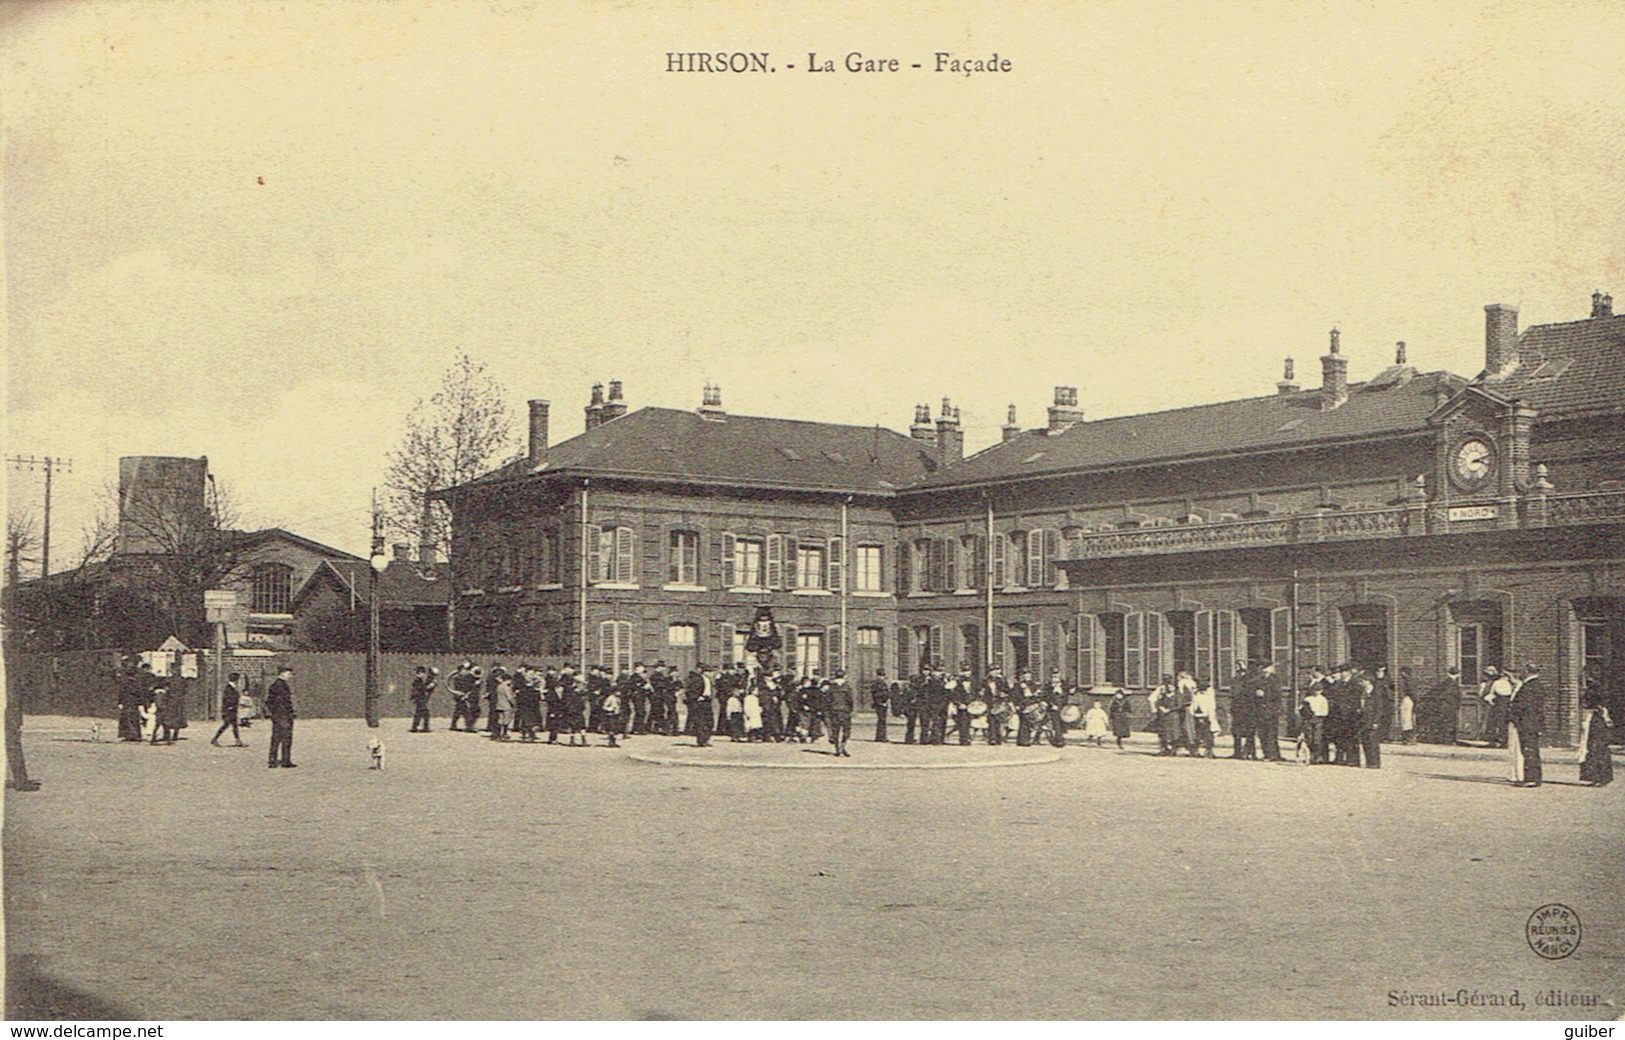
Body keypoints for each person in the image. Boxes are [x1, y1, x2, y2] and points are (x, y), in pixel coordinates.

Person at [1506, 663, 1544, 787]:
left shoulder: (1529, 686)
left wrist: (1513, 715)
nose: (1522, 673)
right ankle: (1532, 777)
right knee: (1530, 750)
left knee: (1529, 751)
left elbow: (1524, 705)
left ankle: (1532, 778)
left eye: (1524, 670)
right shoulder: (1536, 684)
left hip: (1527, 723)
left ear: (1528, 671)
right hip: (1531, 723)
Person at [1578, 664, 1614, 787]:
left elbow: (1598, 704)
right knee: (1595, 747)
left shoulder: (1596, 688)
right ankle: (1597, 776)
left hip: (1596, 719)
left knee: (1596, 747)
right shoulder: (1595, 687)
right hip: (1595, 717)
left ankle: (1600, 777)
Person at [265, 666, 297, 768]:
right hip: (283, 715)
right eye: (288, 674)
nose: (290, 676)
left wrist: (273, 713)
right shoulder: (281, 686)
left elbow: (269, 702)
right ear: (282, 673)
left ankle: (272, 759)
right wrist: (288, 713)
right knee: (286, 738)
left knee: (276, 737)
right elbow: (282, 702)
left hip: (278, 715)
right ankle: (285, 760)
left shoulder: (275, 685)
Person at [1254, 662, 1284, 762]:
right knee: (1262, 733)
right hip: (1261, 711)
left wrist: (1264, 694)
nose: (1264, 670)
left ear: (1271, 668)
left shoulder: (1275, 680)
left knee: (1271, 734)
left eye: (1266, 668)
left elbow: (1277, 695)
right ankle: (1266, 753)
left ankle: (1273, 755)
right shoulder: (1259, 679)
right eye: (1262, 668)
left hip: (1271, 711)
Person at [1229, 662, 1258, 759]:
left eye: (1238, 666)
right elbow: (1233, 694)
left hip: (1248, 709)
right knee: (1236, 732)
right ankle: (1237, 752)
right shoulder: (1234, 680)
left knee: (1250, 732)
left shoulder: (1250, 680)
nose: (1237, 669)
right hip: (1237, 709)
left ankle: (1251, 752)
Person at [211, 671, 246, 746]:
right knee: (226, 725)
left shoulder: (232, 687)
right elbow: (228, 699)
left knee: (234, 725)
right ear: (236, 680)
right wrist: (230, 706)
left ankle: (238, 740)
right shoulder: (229, 688)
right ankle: (215, 739)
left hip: (232, 709)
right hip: (229, 709)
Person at [1481, 665, 1512, 748]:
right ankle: (1501, 740)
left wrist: (1488, 699)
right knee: (1501, 723)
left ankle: (1495, 740)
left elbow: (1492, 694)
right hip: (1503, 705)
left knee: (1495, 722)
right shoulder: (1508, 683)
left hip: (1498, 705)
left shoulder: (1497, 683)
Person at [686, 664, 716, 747]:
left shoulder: (709, 680)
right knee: (701, 722)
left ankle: (706, 739)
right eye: (711, 672)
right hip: (700, 703)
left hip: (707, 701)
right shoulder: (698, 679)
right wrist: (697, 697)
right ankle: (701, 740)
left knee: (709, 722)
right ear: (706, 672)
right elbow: (690, 691)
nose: (712, 674)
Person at [826, 671, 854, 757]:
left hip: (834, 710)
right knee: (846, 729)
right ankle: (843, 746)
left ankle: (837, 748)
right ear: (844, 676)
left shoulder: (831, 687)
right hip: (845, 710)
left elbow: (828, 700)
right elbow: (850, 700)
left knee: (835, 730)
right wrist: (850, 709)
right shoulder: (847, 687)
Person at [1301, 681, 1329, 763]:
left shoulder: (1323, 699)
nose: (1316, 692)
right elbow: (1302, 708)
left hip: (1318, 719)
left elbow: (1325, 711)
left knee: (1317, 738)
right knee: (1309, 738)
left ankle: (1317, 757)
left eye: (1318, 690)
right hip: (1309, 720)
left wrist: (1316, 713)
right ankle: (1310, 756)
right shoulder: (1308, 699)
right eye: (1315, 690)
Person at [514, 665, 542, 742]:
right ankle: (527, 734)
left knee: (529, 720)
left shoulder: (532, 689)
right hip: (527, 705)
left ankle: (529, 734)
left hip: (531, 705)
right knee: (527, 719)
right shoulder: (524, 688)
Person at [1189, 681, 1217, 758]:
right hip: (1204, 716)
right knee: (1206, 734)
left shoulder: (1197, 696)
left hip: (1200, 716)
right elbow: (1211, 708)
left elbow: (1192, 707)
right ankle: (1206, 751)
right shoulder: (1205, 697)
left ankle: (1198, 751)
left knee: (1200, 734)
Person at [448, 661, 477, 732]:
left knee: (458, 710)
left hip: (460, 696)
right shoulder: (460, 678)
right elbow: (466, 687)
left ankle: (453, 725)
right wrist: (465, 694)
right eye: (464, 670)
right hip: (461, 696)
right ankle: (469, 727)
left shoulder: (458, 677)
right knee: (466, 711)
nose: (465, 671)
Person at [409, 665, 435, 733]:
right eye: (422, 673)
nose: (423, 675)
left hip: (419, 699)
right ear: (419, 673)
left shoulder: (418, 680)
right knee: (426, 714)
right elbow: (421, 689)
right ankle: (425, 728)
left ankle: (414, 727)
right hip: (420, 699)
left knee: (418, 714)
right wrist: (429, 686)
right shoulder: (417, 681)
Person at [868, 671, 890, 742]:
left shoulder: (881, 683)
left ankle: (881, 736)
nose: (882, 677)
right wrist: (881, 703)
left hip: (883, 703)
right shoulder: (878, 684)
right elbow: (877, 695)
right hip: (880, 704)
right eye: (881, 676)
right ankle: (881, 737)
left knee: (882, 720)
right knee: (882, 720)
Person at [1397, 671, 1417, 745]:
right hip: (1407, 700)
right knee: (1407, 720)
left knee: (1406, 719)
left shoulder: (1406, 681)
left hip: (1407, 700)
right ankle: (1408, 738)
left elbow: (1411, 692)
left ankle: (1408, 738)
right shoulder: (1409, 681)